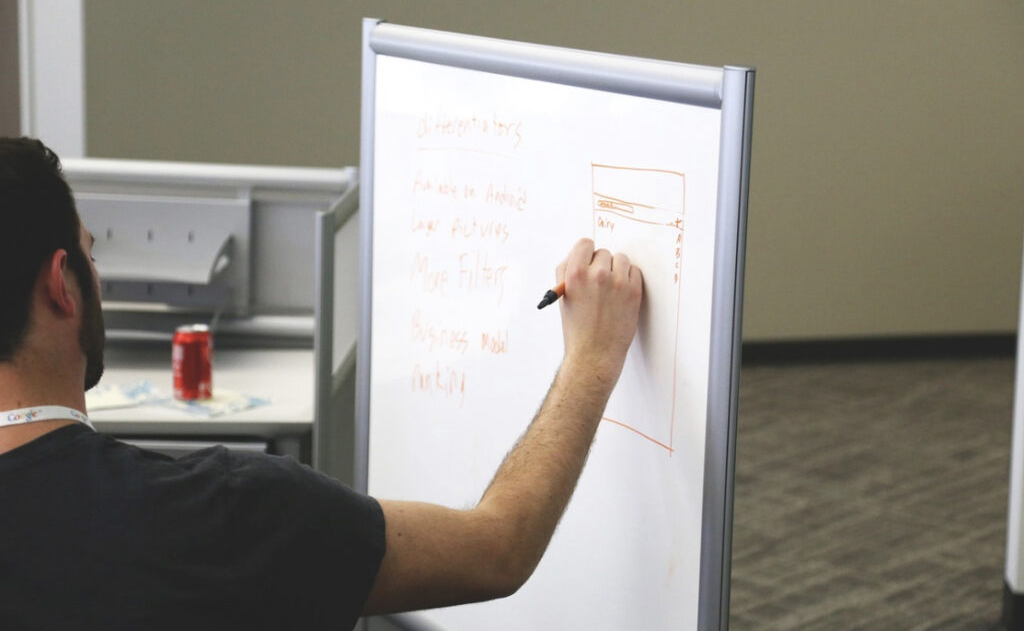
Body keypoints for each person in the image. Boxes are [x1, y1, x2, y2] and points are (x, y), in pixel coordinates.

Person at [0, 137, 643, 630]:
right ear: (62, 284)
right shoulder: (221, 514)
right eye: (92, 255)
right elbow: (497, 548)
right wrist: (590, 359)